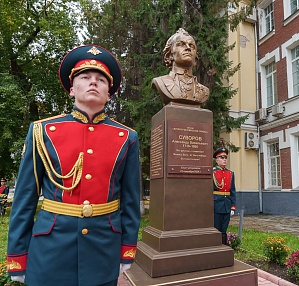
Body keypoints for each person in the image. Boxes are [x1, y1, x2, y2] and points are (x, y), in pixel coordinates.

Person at [6, 45, 141, 286]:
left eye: (101, 80)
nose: (93, 83)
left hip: (103, 248)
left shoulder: (126, 137)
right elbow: (25, 198)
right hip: (50, 249)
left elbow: (130, 201)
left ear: (108, 93)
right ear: (71, 89)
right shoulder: (43, 131)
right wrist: (17, 255)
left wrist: (127, 249)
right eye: (85, 77)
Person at [152, 28, 209, 106]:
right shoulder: (161, 82)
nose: (188, 48)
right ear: (169, 55)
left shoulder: (204, 91)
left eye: (191, 46)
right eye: (181, 44)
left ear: (195, 59)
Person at [213, 147, 236, 245]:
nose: (224, 160)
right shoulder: (213, 173)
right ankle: (215, 247)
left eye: (225, 158)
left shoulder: (230, 173)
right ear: (217, 160)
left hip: (227, 204)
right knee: (216, 228)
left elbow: (233, 191)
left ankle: (223, 246)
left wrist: (233, 206)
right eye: (222, 158)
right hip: (216, 204)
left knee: (224, 228)